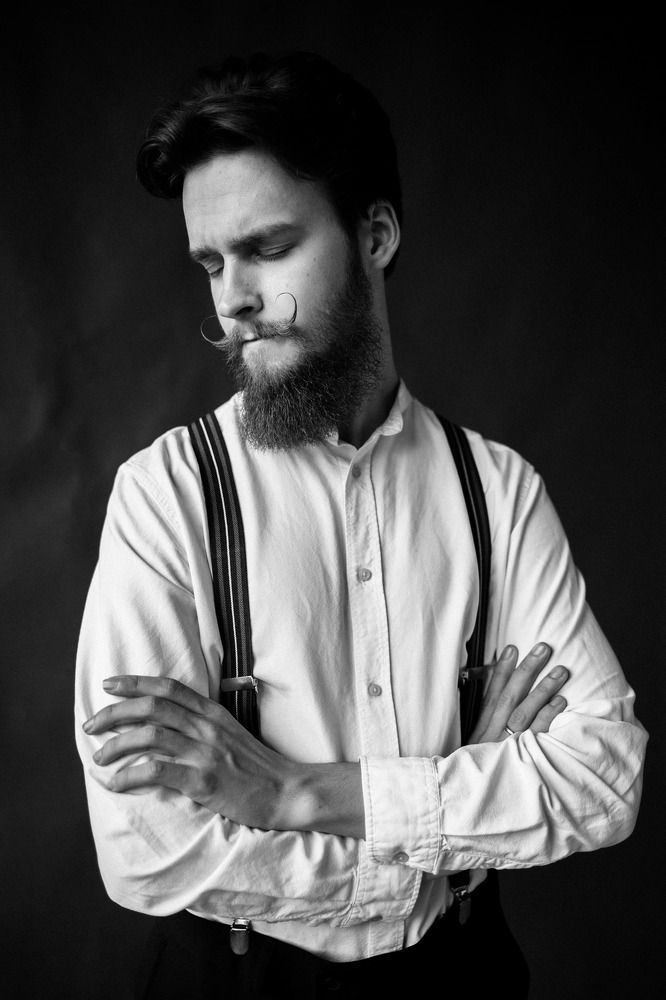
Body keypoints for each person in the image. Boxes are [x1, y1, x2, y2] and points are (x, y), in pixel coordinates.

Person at [75, 51, 647, 998]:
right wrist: (452, 813)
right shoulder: (165, 495)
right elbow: (149, 848)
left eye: (267, 248)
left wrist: (291, 794)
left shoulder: (499, 489)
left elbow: (606, 779)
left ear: (375, 234)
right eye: (211, 263)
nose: (232, 299)